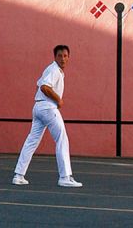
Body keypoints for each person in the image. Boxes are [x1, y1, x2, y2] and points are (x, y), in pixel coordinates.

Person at [12, 45, 82, 188]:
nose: (63, 59)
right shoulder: (54, 70)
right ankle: (65, 177)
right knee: (62, 138)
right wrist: (58, 99)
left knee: (31, 141)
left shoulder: (52, 70)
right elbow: (44, 87)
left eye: (65, 56)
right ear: (54, 57)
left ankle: (18, 175)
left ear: (69, 57)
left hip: (38, 107)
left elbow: (38, 85)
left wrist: (40, 100)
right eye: (60, 56)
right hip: (48, 108)